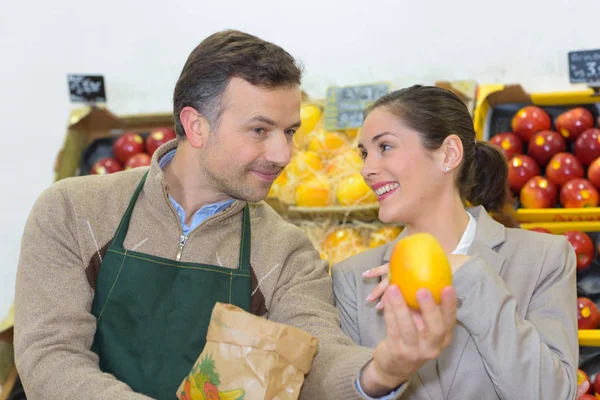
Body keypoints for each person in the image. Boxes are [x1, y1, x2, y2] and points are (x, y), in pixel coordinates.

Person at [14, 31, 457, 400]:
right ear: (196, 126)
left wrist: (382, 370)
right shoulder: (74, 211)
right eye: (260, 130)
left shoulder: (287, 253)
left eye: (290, 132)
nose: (283, 153)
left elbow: (315, 357)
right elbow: (50, 357)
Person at [331, 85, 579, 399]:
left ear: (448, 153)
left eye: (385, 147)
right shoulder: (354, 278)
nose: (367, 169)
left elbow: (551, 394)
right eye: (365, 154)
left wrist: (468, 275)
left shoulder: (545, 258)